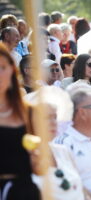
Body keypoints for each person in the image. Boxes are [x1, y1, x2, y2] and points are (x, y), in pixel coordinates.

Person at [0, 43, 40, 199]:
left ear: (12, 70)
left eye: (2, 67)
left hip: (24, 192)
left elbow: (40, 169)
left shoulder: (28, 112)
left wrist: (37, 159)